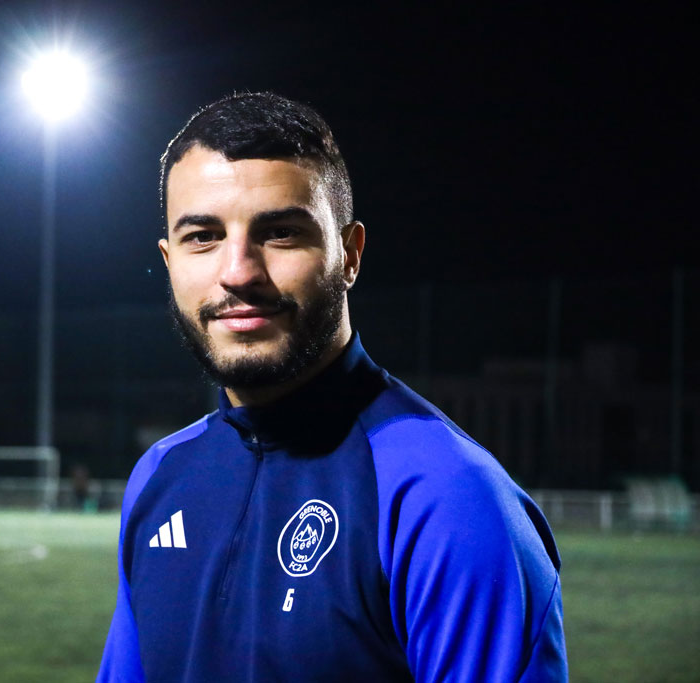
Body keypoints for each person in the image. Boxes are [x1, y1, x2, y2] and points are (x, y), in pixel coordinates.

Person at [98, 92, 567, 682]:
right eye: (203, 236)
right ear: (169, 261)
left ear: (349, 254)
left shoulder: (447, 499)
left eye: (281, 233)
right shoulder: (159, 476)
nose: (238, 271)